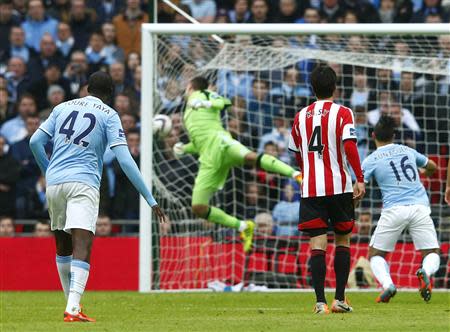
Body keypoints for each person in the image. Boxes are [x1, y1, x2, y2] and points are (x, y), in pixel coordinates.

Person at [29, 71, 166, 322]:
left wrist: (48, 170)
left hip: (55, 182)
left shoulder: (62, 107)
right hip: (83, 182)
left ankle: (71, 304)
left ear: (87, 88)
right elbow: (124, 159)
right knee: (83, 244)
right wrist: (149, 197)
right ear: (110, 94)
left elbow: (35, 142)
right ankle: (72, 309)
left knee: (63, 244)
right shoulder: (109, 115)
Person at [174, 76, 301, 252]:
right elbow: (199, 142)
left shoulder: (202, 94)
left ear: (189, 86)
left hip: (222, 143)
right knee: (198, 207)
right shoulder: (188, 114)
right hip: (208, 158)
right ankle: (243, 226)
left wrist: (206, 104)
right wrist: (184, 148)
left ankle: (295, 174)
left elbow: (224, 102)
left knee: (251, 157)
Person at [289, 65, 365, 314]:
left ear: (312, 89)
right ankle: (340, 299)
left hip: (311, 188)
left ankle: (320, 302)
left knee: (317, 243)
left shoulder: (300, 116)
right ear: (335, 86)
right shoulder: (343, 112)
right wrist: (360, 178)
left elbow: (297, 153)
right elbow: (350, 146)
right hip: (339, 185)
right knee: (342, 239)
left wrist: (308, 172)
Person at [362, 116, 440, 303]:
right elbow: (433, 167)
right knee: (431, 252)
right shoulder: (407, 150)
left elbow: (359, 189)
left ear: (373, 135)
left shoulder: (370, 160)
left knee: (375, 254)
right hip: (420, 207)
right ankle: (426, 272)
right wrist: (424, 172)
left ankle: (388, 285)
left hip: (394, 210)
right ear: (394, 135)